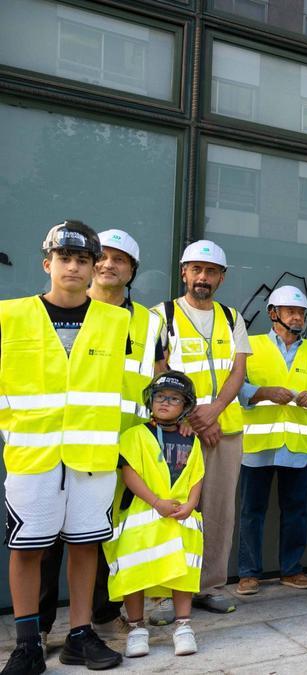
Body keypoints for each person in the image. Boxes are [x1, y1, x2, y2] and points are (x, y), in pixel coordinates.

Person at [1, 221, 127, 673]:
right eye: (64, 258)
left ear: (95, 268)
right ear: (47, 264)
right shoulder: (9, 315)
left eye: (83, 260)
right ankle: (27, 642)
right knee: (27, 549)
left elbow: (125, 389)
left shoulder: (117, 321)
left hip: (92, 456)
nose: (73, 267)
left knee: (85, 545)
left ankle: (79, 635)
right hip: (32, 455)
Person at [37, 229, 164, 647]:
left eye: (121, 259)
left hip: (123, 445)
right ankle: (39, 624)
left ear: (132, 271)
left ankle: (100, 616)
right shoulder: (64, 311)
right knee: (49, 537)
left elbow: (159, 376)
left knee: (104, 533)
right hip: (62, 440)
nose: (110, 264)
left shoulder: (149, 322)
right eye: (103, 257)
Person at [152, 239, 249, 619]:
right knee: (177, 510)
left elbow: (238, 370)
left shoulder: (231, 317)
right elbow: (159, 372)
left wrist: (216, 411)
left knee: (220, 511)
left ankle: (210, 586)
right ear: (183, 273)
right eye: (196, 270)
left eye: (210, 271)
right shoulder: (162, 316)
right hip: (180, 431)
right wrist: (194, 416)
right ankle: (167, 593)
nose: (202, 278)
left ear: (221, 278)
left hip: (225, 430)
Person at [233, 286, 307, 595]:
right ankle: (248, 574)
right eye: (291, 311)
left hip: (297, 447)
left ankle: (292, 570)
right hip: (258, 447)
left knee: (296, 511)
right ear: (273, 314)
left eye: (301, 312)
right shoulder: (252, 346)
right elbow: (237, 386)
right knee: (252, 512)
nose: (298, 317)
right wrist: (263, 393)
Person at [107, 371, 205, 659]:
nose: (165, 402)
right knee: (135, 572)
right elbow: (129, 472)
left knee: (182, 572)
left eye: (174, 399)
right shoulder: (134, 434)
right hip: (143, 521)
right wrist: (155, 502)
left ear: (185, 407)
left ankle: (183, 626)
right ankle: (137, 629)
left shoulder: (192, 438)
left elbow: (197, 473)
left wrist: (192, 504)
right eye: (160, 397)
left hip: (181, 520)